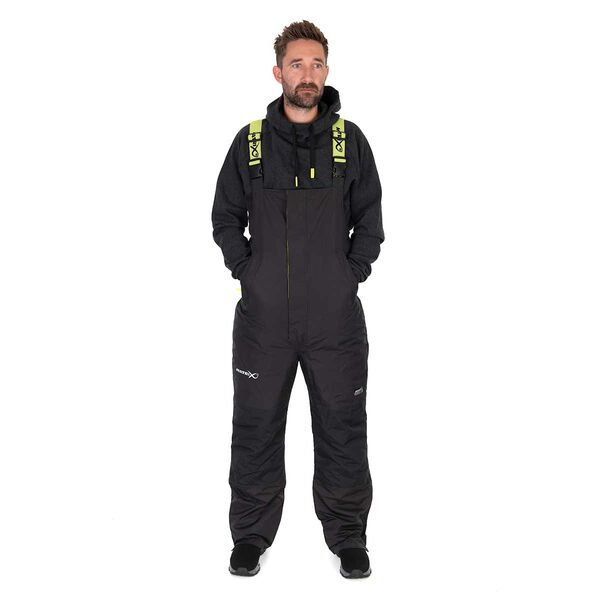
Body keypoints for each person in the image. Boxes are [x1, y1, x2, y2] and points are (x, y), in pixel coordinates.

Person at [211, 20, 384, 578]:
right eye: (296, 64)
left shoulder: (349, 142)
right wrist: (249, 272)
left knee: (343, 428)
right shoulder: (251, 143)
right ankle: (250, 536)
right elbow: (225, 218)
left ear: (326, 71)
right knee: (255, 428)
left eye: (316, 64)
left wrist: (348, 275)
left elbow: (370, 222)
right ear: (278, 72)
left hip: (336, 324)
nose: (307, 74)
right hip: (263, 325)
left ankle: (349, 537)